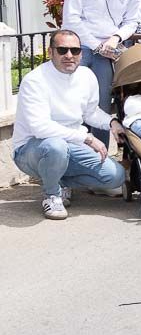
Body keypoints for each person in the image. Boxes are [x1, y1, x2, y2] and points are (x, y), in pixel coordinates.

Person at [12, 29, 127, 218]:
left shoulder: (86, 76)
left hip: (71, 145)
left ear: (81, 53)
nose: (69, 55)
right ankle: (52, 196)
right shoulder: (34, 80)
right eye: (62, 50)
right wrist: (87, 138)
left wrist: (112, 122)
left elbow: (90, 113)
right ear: (50, 52)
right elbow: (40, 128)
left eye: (75, 50)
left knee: (115, 176)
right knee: (55, 146)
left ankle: (60, 181)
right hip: (31, 149)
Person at [61, 0, 141, 146]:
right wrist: (97, 45)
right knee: (72, 106)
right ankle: (73, 159)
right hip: (81, 49)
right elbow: (71, 17)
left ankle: (99, 160)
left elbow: (132, 21)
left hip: (108, 52)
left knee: (102, 106)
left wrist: (116, 37)